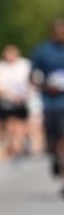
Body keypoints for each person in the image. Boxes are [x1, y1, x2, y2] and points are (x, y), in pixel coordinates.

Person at [31, 17, 64, 197]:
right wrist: (46, 86)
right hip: (50, 103)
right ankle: (54, 158)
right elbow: (33, 76)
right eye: (58, 30)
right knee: (52, 142)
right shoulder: (43, 51)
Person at [0, 44, 31, 159]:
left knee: (21, 124)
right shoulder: (1, 67)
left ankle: (20, 145)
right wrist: (6, 94)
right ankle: (13, 146)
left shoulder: (24, 64)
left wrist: (24, 95)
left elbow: (31, 82)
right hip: (6, 101)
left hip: (21, 100)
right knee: (10, 124)